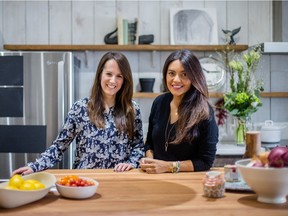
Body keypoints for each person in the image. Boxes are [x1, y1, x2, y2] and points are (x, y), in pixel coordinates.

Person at [12, 52, 144, 176]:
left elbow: (138, 146)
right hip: (84, 181)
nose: (113, 81)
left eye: (119, 76)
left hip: (118, 179)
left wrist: (131, 163)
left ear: (125, 80)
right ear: (100, 74)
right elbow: (60, 145)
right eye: (109, 74)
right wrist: (35, 166)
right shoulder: (80, 108)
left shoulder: (132, 109)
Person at [140, 49, 218, 174]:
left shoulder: (204, 112)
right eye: (171, 73)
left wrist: (168, 167)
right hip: (156, 178)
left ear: (194, 77)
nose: (176, 80)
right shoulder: (159, 102)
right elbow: (149, 143)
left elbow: (205, 161)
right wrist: (150, 162)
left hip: (188, 181)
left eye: (184, 74)